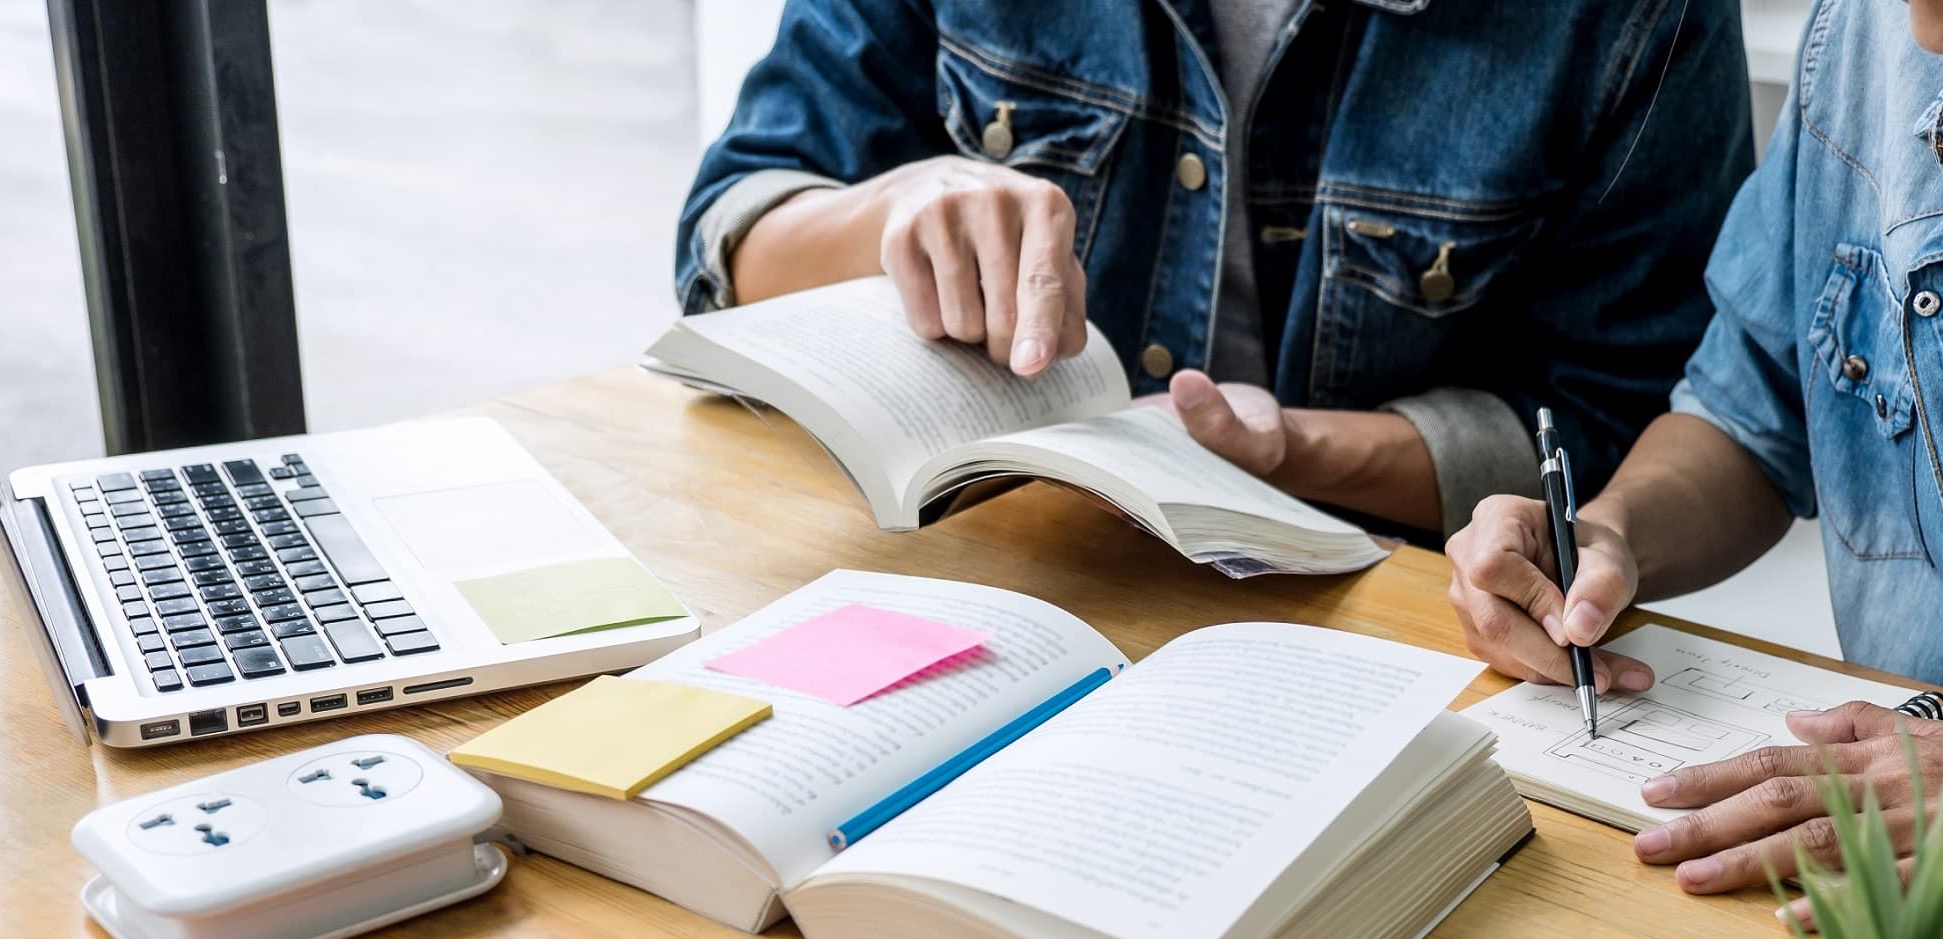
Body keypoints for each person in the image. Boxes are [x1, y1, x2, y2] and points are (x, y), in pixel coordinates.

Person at [1446, 0, 1943, 900]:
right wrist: (1609, 536)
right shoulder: (1865, 44)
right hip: (1877, 897)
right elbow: (1754, 411)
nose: (1933, 30)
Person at [675, 1, 1753, 537]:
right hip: (973, 551)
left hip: (1362, 605)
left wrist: (1292, 452)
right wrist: (891, 209)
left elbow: (1616, 422)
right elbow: (733, 229)